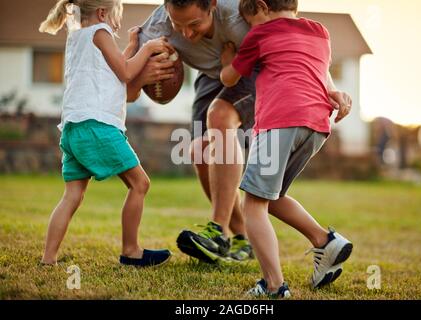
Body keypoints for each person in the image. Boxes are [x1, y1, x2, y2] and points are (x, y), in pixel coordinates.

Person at [127, 0, 352, 264]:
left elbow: (294, 44)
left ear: (212, 5)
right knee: (199, 152)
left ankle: (218, 231)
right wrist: (142, 74)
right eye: (179, 25)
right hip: (211, 76)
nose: (186, 34)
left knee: (219, 116)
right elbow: (127, 84)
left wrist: (329, 88)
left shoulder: (240, 13)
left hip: (253, 71)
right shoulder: (157, 26)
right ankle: (242, 237)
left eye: (194, 24)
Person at [220, 0, 353, 298]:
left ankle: (274, 287)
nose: (249, 29)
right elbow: (320, 73)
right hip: (316, 125)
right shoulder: (320, 32)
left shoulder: (261, 33)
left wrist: (228, 57)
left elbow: (229, 78)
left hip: (279, 121)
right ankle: (324, 242)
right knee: (273, 195)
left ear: (262, 7)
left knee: (252, 205)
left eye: (250, 20)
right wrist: (334, 92)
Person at [39, 0, 172, 267]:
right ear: (102, 13)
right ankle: (131, 250)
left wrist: (133, 45)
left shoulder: (78, 37)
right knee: (140, 184)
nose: (118, 24)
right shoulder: (101, 32)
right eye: (116, 17)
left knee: (72, 196)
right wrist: (146, 48)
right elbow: (124, 72)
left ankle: (48, 258)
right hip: (97, 125)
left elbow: (112, 68)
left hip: (73, 128)